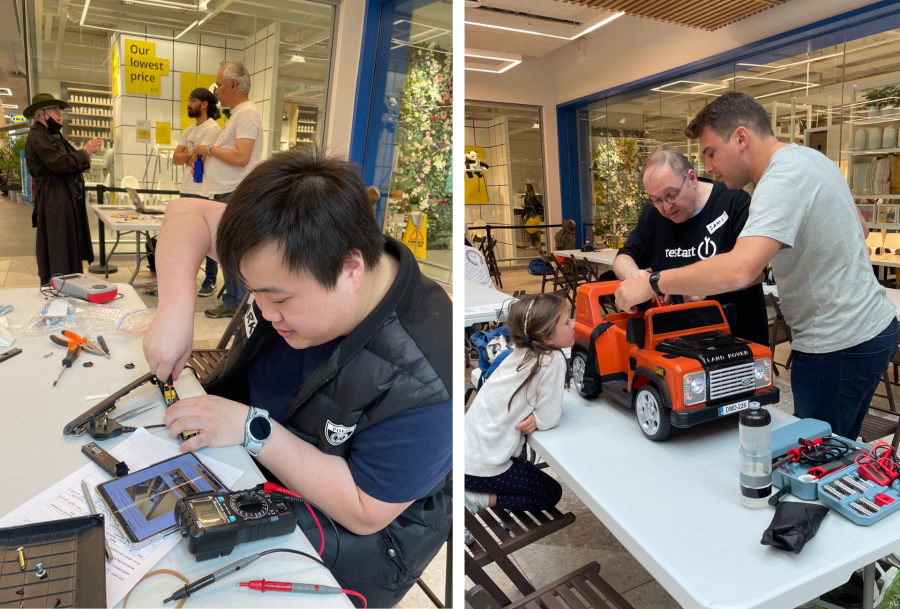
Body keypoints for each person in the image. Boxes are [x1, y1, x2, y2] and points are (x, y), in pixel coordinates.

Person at [142, 149, 452, 607]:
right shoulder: (299, 241)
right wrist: (174, 307)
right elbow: (187, 212)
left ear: (350, 270)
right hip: (257, 463)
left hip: (354, 542)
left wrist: (253, 430)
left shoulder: (427, 375)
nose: (265, 313)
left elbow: (365, 511)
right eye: (254, 293)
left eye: (279, 299)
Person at [615, 91, 897, 440]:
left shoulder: (779, 180)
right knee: (837, 443)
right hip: (872, 328)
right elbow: (863, 228)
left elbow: (742, 269)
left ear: (741, 138)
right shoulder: (809, 159)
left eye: (711, 153)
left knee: (814, 456)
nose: (710, 168)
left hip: (836, 343)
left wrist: (655, 282)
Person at [613, 144, 769, 346]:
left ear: (692, 179)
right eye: (657, 200)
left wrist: (705, 285)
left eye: (672, 195)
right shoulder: (652, 215)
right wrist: (635, 276)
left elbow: (758, 272)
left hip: (738, 337)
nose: (666, 207)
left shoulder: (734, 203)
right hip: (677, 340)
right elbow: (624, 256)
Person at [465, 292, 573, 513]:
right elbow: (549, 418)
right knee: (550, 492)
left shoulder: (519, 351)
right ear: (547, 338)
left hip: (460, 456)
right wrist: (538, 418)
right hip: (480, 468)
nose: (573, 324)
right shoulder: (552, 359)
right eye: (567, 321)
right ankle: (475, 499)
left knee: (527, 475)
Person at [191, 60, 263, 318]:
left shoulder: (246, 113)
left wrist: (209, 149)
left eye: (220, 84)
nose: (217, 90)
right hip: (227, 192)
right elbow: (232, 155)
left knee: (232, 253)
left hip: (235, 193)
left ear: (233, 84)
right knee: (227, 252)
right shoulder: (239, 115)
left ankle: (238, 305)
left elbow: (242, 157)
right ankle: (234, 302)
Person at [23, 93, 103, 285]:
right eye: (55, 110)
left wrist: (82, 156)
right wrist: (85, 152)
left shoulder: (53, 135)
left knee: (69, 241)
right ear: (42, 113)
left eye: (60, 110)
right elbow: (60, 163)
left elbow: (70, 161)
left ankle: (72, 282)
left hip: (64, 197)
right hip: (54, 198)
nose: (59, 114)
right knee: (58, 242)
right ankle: (59, 285)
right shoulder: (37, 137)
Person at [172, 87, 223, 297]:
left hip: (204, 190)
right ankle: (186, 277)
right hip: (187, 189)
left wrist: (188, 154)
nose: (187, 104)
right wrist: (190, 154)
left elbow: (198, 158)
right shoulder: (188, 130)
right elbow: (176, 158)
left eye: (191, 100)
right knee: (187, 236)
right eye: (188, 99)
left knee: (208, 238)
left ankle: (210, 279)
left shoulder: (213, 129)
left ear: (204, 104)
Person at [523, 183, 543, 248]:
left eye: (525, 187)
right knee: (529, 229)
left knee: (530, 229)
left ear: (528, 188)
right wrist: (522, 216)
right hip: (528, 214)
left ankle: (536, 242)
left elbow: (533, 206)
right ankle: (534, 243)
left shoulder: (532, 197)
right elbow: (525, 207)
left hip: (532, 214)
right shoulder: (526, 197)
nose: (524, 188)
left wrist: (525, 206)